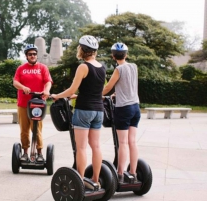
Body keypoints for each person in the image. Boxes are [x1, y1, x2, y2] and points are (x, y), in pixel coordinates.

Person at [51, 35, 105, 190]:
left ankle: (80, 181)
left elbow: (71, 89)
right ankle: (96, 179)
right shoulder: (102, 67)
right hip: (98, 111)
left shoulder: (83, 67)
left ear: (82, 49)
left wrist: (57, 95)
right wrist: (77, 95)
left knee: (81, 147)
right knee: (95, 146)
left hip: (84, 110)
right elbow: (94, 90)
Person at [102, 42, 140, 183]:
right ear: (126, 54)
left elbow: (107, 88)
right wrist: (117, 93)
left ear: (113, 56)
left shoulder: (118, 70)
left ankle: (119, 174)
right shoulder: (134, 67)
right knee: (132, 141)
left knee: (122, 142)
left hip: (123, 108)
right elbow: (128, 85)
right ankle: (133, 173)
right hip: (135, 107)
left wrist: (95, 94)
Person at [13, 44, 53, 162]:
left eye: (34, 54)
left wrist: (46, 90)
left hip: (38, 103)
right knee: (24, 129)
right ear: (26, 56)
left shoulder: (43, 68)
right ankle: (25, 152)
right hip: (23, 104)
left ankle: (39, 153)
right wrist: (23, 87)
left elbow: (48, 81)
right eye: (30, 54)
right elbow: (15, 82)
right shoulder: (21, 68)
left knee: (37, 129)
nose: (32, 56)